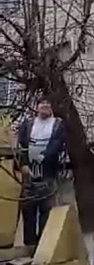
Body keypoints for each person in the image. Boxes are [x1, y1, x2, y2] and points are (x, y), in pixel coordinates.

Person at [17, 96, 66, 247]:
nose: (45, 106)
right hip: (29, 175)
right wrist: (23, 165)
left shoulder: (57, 124)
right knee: (28, 209)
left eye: (48, 104)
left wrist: (44, 156)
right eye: (42, 103)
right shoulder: (28, 124)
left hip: (47, 175)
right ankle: (29, 244)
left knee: (46, 210)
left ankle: (43, 245)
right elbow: (21, 146)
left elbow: (57, 144)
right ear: (36, 107)